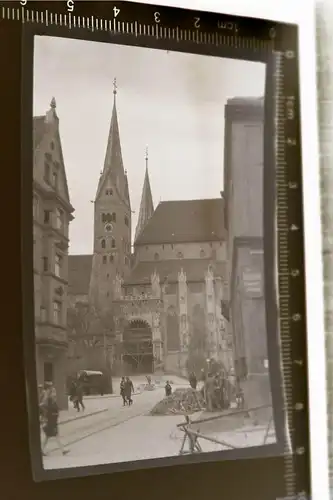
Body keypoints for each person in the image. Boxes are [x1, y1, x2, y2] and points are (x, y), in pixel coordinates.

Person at [40, 383, 69, 456]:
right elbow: (48, 410)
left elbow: (54, 409)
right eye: (53, 392)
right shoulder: (49, 401)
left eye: (55, 392)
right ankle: (63, 450)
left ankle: (41, 450)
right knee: (55, 436)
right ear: (50, 393)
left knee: (48, 437)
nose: (55, 393)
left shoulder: (52, 400)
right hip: (50, 422)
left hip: (52, 421)